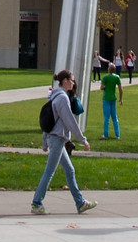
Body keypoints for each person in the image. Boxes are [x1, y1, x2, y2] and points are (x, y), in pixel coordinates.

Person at [31, 71, 96, 215]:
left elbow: (50, 121)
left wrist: (44, 141)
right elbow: (70, 122)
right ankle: (36, 203)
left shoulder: (55, 96)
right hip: (57, 139)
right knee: (49, 171)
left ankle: (80, 203)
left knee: (69, 170)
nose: (74, 83)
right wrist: (83, 140)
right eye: (72, 80)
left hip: (56, 139)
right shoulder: (62, 99)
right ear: (65, 81)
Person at [100, 61, 122, 139]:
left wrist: (106, 87)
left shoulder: (105, 77)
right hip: (113, 98)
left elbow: (101, 87)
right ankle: (117, 134)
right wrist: (121, 98)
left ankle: (105, 134)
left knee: (106, 117)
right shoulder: (116, 77)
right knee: (114, 117)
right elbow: (120, 89)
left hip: (106, 98)